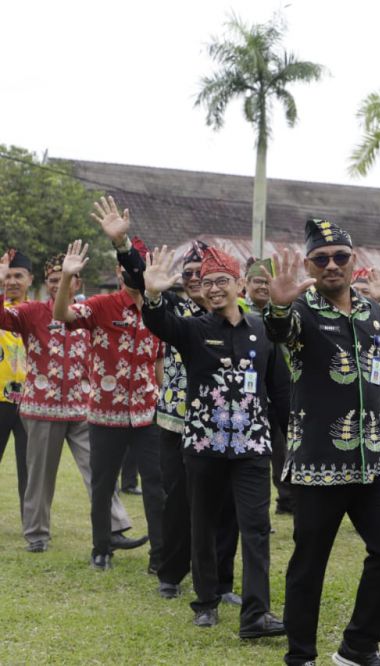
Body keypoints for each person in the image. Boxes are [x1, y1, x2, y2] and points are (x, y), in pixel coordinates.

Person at [265, 219, 380, 666]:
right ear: (309, 264)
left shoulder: (373, 313)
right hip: (317, 464)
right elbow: (280, 332)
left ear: (353, 262)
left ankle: (359, 646)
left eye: (340, 257)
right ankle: (300, 656)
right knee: (310, 562)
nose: (331, 265)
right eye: (320, 258)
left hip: (373, 461)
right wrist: (278, 308)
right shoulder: (300, 311)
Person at [94, 199, 241, 601]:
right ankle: (171, 573)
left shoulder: (236, 317)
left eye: (205, 274)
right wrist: (123, 245)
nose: (197, 280)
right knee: (176, 501)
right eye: (191, 274)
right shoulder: (174, 309)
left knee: (226, 506)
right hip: (176, 423)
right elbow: (142, 287)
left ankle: (222, 581)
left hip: (228, 425)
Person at [142, 244, 287, 638]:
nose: (214, 289)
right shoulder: (193, 329)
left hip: (252, 447)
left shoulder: (263, 330)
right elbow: (160, 324)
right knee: (201, 523)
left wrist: (291, 437)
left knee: (255, 527)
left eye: (222, 281)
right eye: (207, 283)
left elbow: (280, 390)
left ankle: (257, 615)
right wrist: (153, 295)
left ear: (239, 283)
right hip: (204, 445)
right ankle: (205, 602)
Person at [0, 251, 139, 553]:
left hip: (81, 406)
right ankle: (37, 534)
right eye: (52, 279)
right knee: (39, 476)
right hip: (41, 407)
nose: (57, 284)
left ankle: (114, 526)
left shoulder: (89, 312)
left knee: (99, 469)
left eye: (65, 278)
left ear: (78, 281)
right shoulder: (32, 311)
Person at [53, 238, 166, 573]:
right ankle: (101, 547)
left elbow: (158, 363)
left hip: (147, 414)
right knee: (103, 484)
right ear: (119, 270)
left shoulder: (158, 310)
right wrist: (65, 278)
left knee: (156, 486)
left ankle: (159, 556)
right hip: (105, 412)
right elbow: (62, 314)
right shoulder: (102, 305)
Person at [245, 257, 294, 516]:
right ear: (246, 283)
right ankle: (255, 508)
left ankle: (286, 500)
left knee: (281, 447)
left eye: (268, 282)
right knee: (257, 454)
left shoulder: (283, 310)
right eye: (258, 282)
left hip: (281, 389)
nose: (263, 287)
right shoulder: (240, 310)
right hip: (250, 393)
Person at [0, 249, 29, 512]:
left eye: (18, 275)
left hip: (31, 401)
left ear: (30, 279)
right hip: (0, 399)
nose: (12, 282)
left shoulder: (40, 312)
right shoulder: (2, 311)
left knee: (28, 465)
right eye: (7, 276)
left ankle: (30, 519)